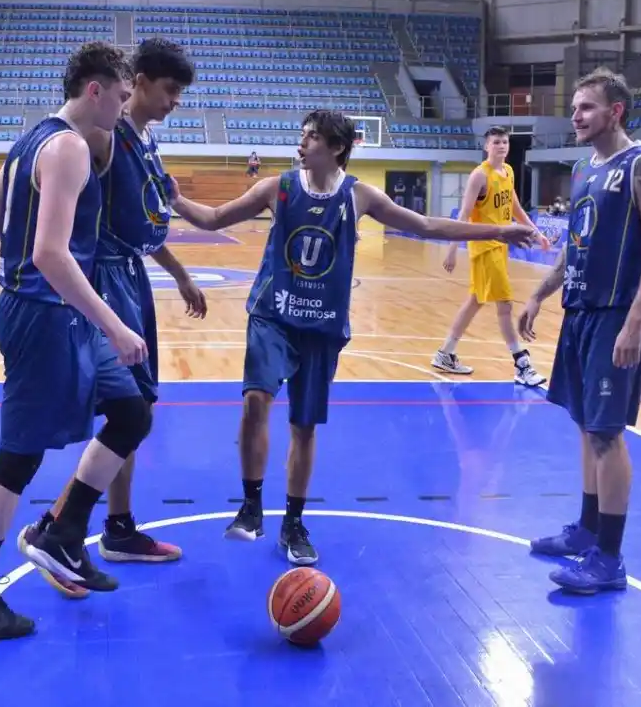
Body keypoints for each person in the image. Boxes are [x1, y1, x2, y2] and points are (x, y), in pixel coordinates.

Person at [169, 109, 538, 565]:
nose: (301, 143)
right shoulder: (277, 187)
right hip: (273, 314)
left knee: (303, 427)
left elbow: (425, 225)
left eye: (312, 137)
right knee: (255, 400)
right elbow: (213, 218)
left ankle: (293, 523)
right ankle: (250, 504)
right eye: (302, 135)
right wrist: (177, 199)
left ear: (337, 148)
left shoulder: (358, 195)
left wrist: (499, 229)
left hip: (322, 324)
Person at [0, 42, 154, 639]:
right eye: (121, 95)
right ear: (94, 90)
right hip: (44, 317)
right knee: (20, 456)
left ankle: (61, 532)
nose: (125, 107)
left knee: (131, 412)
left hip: (55, 312)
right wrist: (115, 323)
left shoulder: (31, 139)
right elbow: (50, 254)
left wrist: (27, 256)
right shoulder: (71, 148)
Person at [16, 38, 207, 598]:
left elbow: (140, 224)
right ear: (138, 82)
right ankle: (56, 530)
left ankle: (115, 528)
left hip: (131, 275)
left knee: (136, 408)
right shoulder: (101, 136)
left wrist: (179, 272)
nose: (175, 101)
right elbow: (75, 219)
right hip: (101, 279)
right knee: (123, 412)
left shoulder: (146, 143)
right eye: (169, 89)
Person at [518, 67, 641, 594]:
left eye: (586, 107)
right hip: (579, 313)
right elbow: (576, 244)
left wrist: (635, 320)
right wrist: (540, 295)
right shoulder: (584, 170)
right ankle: (587, 529)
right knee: (586, 426)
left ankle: (609, 558)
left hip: (614, 315)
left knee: (607, 434)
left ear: (616, 111)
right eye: (574, 108)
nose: (576, 116)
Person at [432, 126, 549, 386]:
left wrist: (536, 232)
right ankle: (521, 363)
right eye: (496, 142)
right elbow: (463, 214)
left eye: (505, 142)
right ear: (486, 146)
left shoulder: (508, 171)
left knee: (475, 301)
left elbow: (515, 207)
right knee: (505, 305)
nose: (501, 146)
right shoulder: (479, 175)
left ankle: (445, 352)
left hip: (500, 247)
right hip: (485, 247)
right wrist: (452, 249)